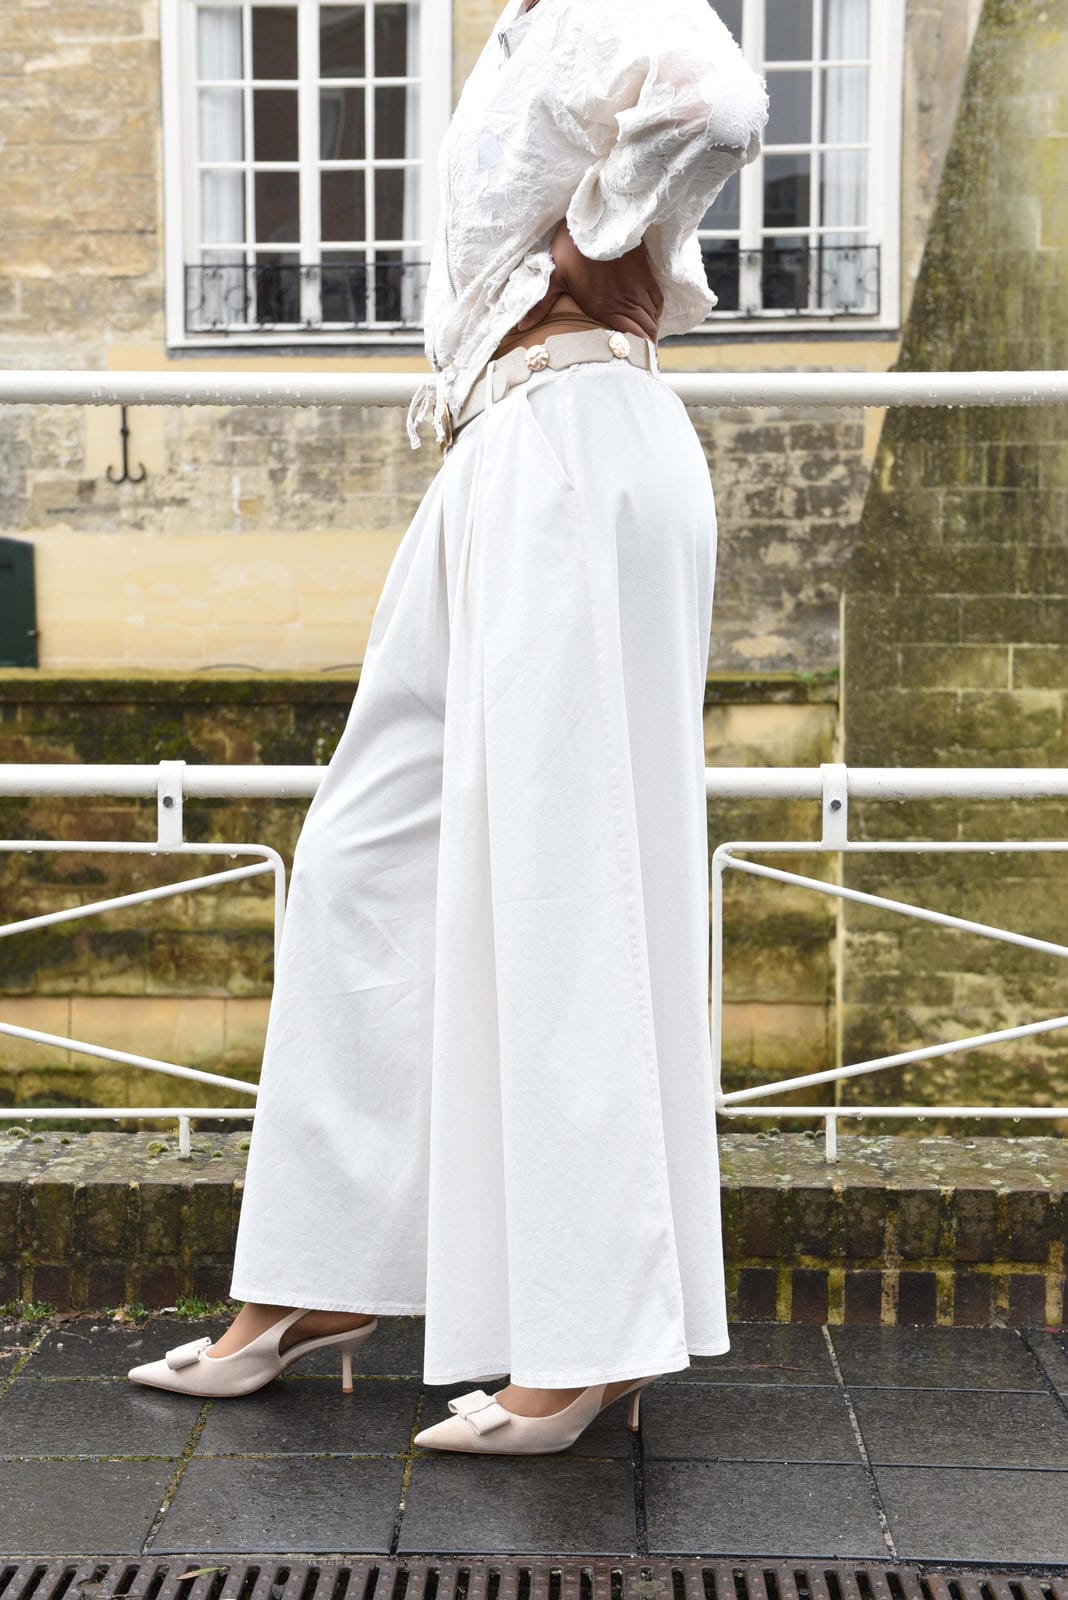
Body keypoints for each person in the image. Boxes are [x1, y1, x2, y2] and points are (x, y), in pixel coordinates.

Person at [128, 0, 768, 1456]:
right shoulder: (523, 24)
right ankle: (318, 1275)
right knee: (361, 856)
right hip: (501, 454)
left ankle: (588, 1342)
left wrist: (598, 239)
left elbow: (717, 101)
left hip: (576, 446)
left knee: (564, 883)